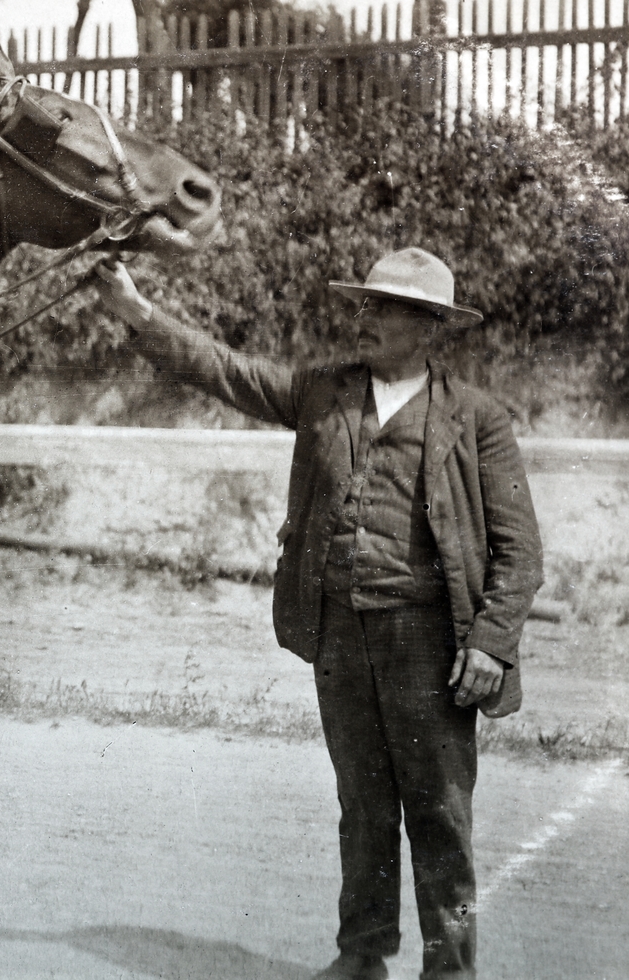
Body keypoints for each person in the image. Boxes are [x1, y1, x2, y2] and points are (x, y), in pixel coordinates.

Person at [95, 247, 543, 980]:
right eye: (362, 305)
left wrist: (491, 643)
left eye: (384, 309)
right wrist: (136, 313)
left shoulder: (477, 418)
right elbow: (228, 372)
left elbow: (520, 550)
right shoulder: (323, 393)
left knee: (440, 815)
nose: (362, 319)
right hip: (340, 630)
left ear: (430, 328)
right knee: (362, 804)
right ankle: (362, 954)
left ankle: (451, 969)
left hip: (430, 642)